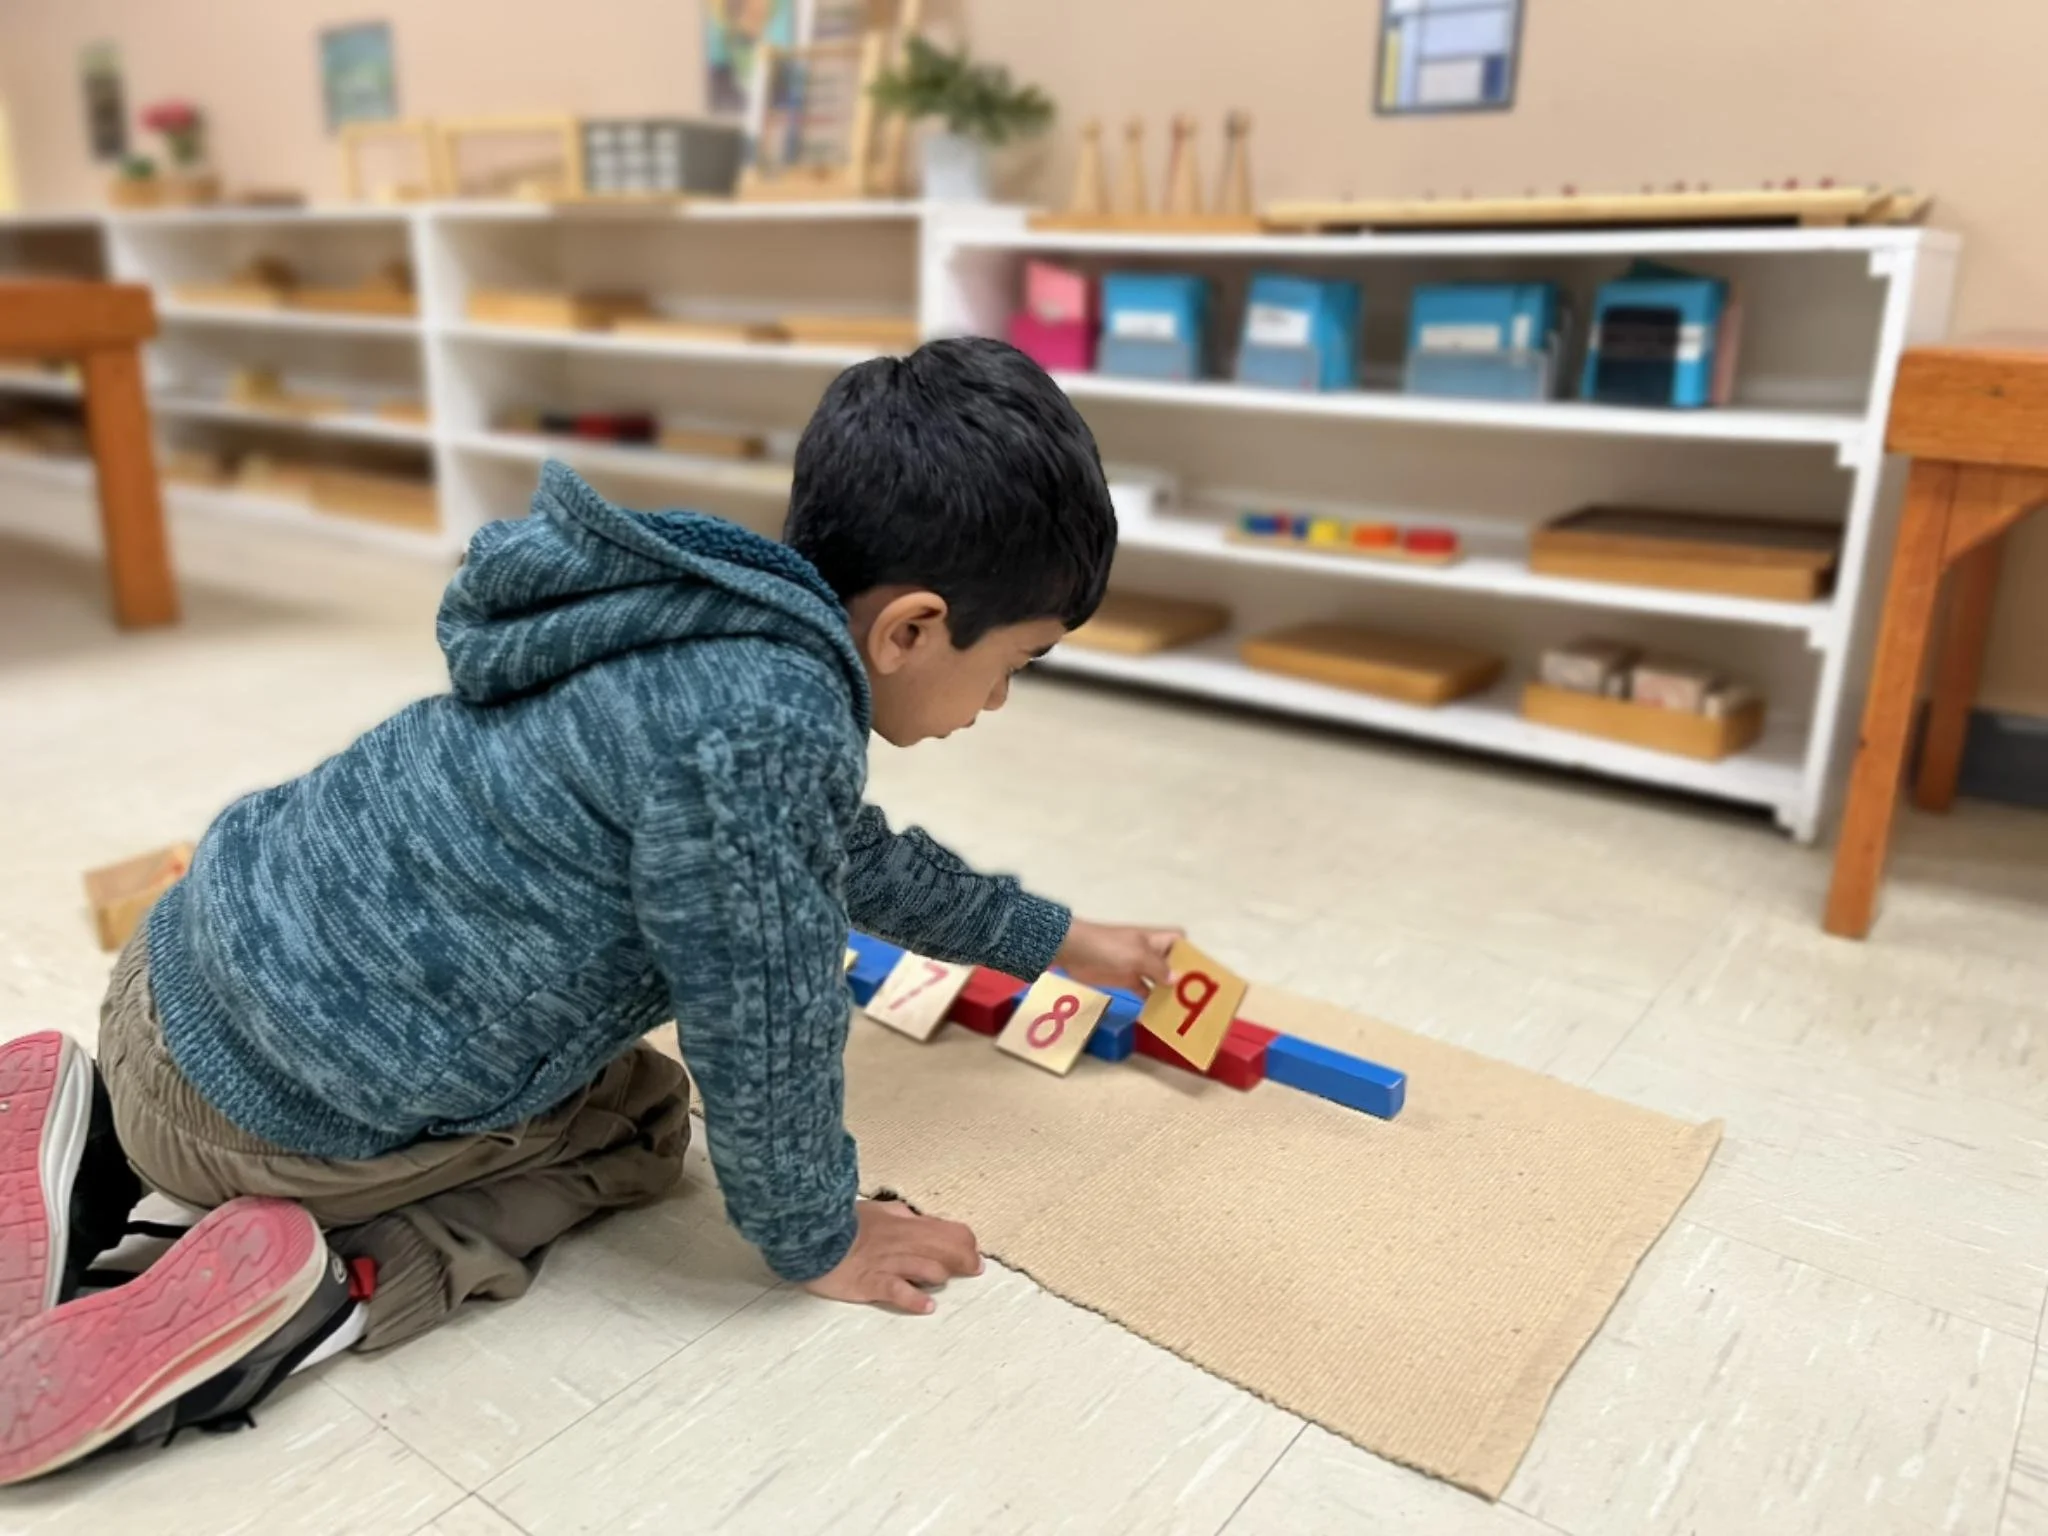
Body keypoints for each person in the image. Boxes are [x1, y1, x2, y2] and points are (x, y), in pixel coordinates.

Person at [0, 338, 1176, 1483]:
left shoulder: (694, 611)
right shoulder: (772, 728)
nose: (1004, 698)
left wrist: (1064, 940)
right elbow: (763, 1031)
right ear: (912, 628)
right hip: (265, 1123)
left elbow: (847, 857)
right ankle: (324, 1294)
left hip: (171, 981)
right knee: (642, 1121)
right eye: (1016, 662)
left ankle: (92, 1142)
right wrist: (819, 1233)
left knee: (567, 1057)